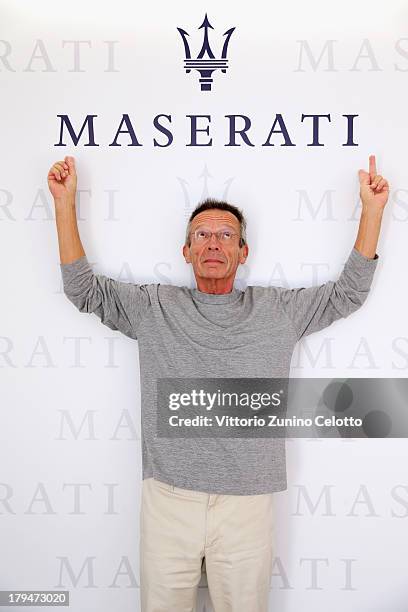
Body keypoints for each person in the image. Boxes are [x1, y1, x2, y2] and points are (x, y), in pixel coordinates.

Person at [48, 154, 389, 612]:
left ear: (242, 252)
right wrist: (64, 202)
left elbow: (349, 293)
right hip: (169, 499)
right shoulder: (154, 307)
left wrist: (372, 211)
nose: (214, 243)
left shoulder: (278, 311)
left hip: (247, 505)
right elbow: (82, 290)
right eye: (202, 235)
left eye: (227, 235)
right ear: (186, 252)